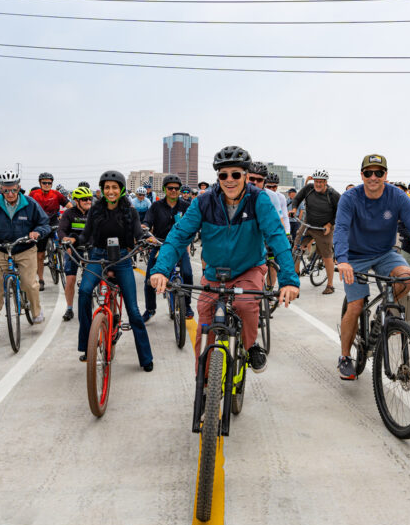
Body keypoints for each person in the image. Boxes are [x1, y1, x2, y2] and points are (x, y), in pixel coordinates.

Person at [150, 146, 299, 374]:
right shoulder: (204, 202)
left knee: (246, 305)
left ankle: (250, 346)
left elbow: (277, 238)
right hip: (215, 271)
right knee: (205, 321)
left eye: (235, 175)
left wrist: (289, 280)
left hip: (248, 268)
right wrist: (161, 270)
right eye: (223, 175)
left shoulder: (259, 200)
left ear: (246, 176)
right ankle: (206, 385)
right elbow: (178, 236)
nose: (229, 180)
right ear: (217, 177)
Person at [334, 154, 410, 380]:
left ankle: (383, 314)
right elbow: (341, 229)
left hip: (385, 253)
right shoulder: (350, 198)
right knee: (355, 306)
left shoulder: (398, 197)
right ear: (362, 175)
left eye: (379, 173)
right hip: (355, 256)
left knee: (407, 278)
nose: (373, 177)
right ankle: (345, 356)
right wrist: (342, 259)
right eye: (368, 173)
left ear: (386, 175)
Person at [76, 170, 156, 370]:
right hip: (98, 257)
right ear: (102, 190)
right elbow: (85, 235)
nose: (110, 191)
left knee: (134, 311)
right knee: (84, 292)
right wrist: (71, 240)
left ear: (120, 189)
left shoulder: (131, 211)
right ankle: (87, 343)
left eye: (114, 187)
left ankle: (146, 358)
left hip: (122, 258)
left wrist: (147, 239)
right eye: (106, 187)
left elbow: (138, 232)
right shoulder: (95, 210)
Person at [0, 170, 50, 341]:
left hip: (25, 248)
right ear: (0, 190)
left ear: (19, 188)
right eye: (6, 190)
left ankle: (36, 311)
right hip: (1, 249)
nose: (10, 194)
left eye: (13, 190)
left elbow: (44, 223)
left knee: (30, 283)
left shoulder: (30, 203)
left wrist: (37, 232)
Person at [142, 174, 193, 322]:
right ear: (165, 189)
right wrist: (144, 229)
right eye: (170, 188)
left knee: (188, 274)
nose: (173, 191)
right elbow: (147, 222)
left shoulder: (186, 207)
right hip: (159, 245)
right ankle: (150, 309)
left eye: (176, 188)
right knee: (149, 279)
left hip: (179, 247)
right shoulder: (156, 206)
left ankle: (187, 305)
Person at [289, 169, 341, 294]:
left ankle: (330, 285)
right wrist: (294, 209)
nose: (318, 184)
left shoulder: (333, 194)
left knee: (327, 255)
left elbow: (340, 212)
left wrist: (330, 225)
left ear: (325, 182)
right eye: (316, 181)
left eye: (321, 182)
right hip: (308, 223)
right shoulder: (308, 189)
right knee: (296, 247)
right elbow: (297, 199)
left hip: (324, 227)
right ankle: (295, 275)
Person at [58, 186, 93, 321]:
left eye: (90, 199)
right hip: (73, 248)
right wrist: (64, 239)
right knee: (70, 280)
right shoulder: (69, 213)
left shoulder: (94, 213)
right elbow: (61, 230)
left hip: (90, 247)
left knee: (93, 276)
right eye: (84, 199)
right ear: (76, 201)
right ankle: (69, 308)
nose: (88, 201)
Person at [29, 172, 68, 292]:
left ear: (52, 183)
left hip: (54, 223)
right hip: (40, 225)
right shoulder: (34, 194)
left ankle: (58, 252)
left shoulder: (56, 194)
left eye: (49, 183)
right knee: (40, 255)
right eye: (44, 182)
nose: (46, 184)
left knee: (63, 242)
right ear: (40, 183)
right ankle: (40, 279)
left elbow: (69, 205)